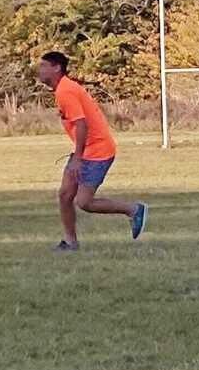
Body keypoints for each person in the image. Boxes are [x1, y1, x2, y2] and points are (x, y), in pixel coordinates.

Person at [37, 51, 148, 251]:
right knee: (64, 195)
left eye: (44, 65)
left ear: (57, 68)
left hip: (98, 152)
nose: (40, 70)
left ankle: (133, 210)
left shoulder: (66, 91)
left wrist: (78, 159)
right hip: (86, 150)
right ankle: (70, 242)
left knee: (84, 202)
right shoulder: (62, 90)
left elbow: (82, 125)